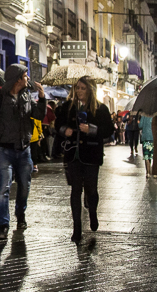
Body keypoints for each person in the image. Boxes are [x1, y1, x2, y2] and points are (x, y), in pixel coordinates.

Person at [0, 64, 46, 241]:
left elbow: (39, 116)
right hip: (3, 149)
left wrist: (42, 98)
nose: (28, 79)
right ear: (18, 78)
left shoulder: (27, 96)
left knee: (24, 187)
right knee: (3, 186)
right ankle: (3, 225)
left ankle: (20, 215)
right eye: (26, 76)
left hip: (24, 148)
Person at [53, 76, 112, 241]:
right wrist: (65, 130)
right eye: (77, 88)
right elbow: (57, 125)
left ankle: (92, 211)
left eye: (83, 88)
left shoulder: (100, 109)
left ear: (90, 90)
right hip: (73, 154)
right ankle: (77, 227)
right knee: (75, 190)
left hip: (91, 155)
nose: (79, 91)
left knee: (91, 189)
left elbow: (108, 130)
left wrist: (91, 130)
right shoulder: (68, 107)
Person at [139, 111, 155, 178]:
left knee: (146, 156)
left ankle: (148, 172)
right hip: (153, 138)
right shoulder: (154, 115)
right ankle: (153, 172)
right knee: (153, 155)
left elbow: (140, 125)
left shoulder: (144, 115)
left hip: (145, 138)